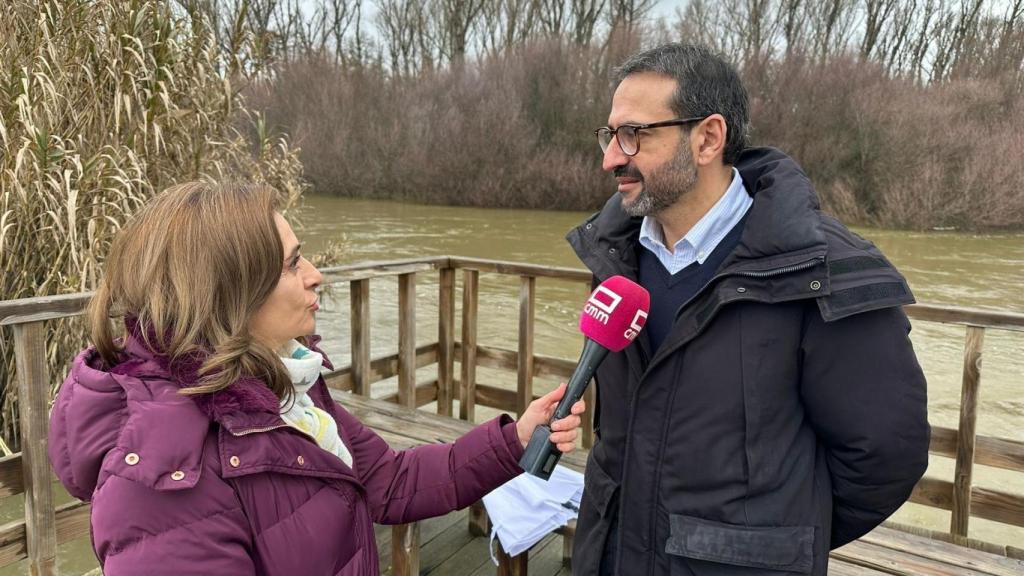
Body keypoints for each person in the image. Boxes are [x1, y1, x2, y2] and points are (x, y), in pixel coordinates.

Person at [48, 182, 586, 575]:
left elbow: (389, 482)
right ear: (227, 293)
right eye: (292, 263)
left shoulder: (285, 386)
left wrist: (512, 439)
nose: (315, 276)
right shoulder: (163, 482)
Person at [566, 43, 929, 575]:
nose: (611, 157)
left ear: (708, 138)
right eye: (609, 135)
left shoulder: (823, 272)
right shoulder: (613, 253)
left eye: (634, 135)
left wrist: (768, 545)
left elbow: (884, 457)